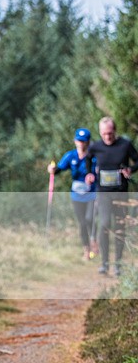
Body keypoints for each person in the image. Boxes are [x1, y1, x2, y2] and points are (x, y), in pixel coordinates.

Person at [89, 116, 138, 276]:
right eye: (104, 134)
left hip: (120, 193)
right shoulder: (96, 147)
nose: (107, 137)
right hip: (103, 193)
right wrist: (89, 173)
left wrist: (130, 169)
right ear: (100, 133)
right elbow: (88, 159)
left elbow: (137, 161)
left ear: (114, 131)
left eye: (110, 133)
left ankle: (117, 264)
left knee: (119, 228)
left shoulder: (125, 145)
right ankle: (104, 263)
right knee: (103, 224)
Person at [47, 128, 97, 260]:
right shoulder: (71, 156)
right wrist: (52, 169)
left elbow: (100, 171)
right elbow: (59, 168)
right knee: (82, 222)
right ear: (75, 141)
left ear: (88, 142)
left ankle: (94, 242)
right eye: (79, 141)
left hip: (92, 194)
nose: (81, 143)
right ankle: (86, 250)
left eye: (84, 141)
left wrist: (94, 177)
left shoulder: (93, 157)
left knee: (89, 219)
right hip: (77, 195)